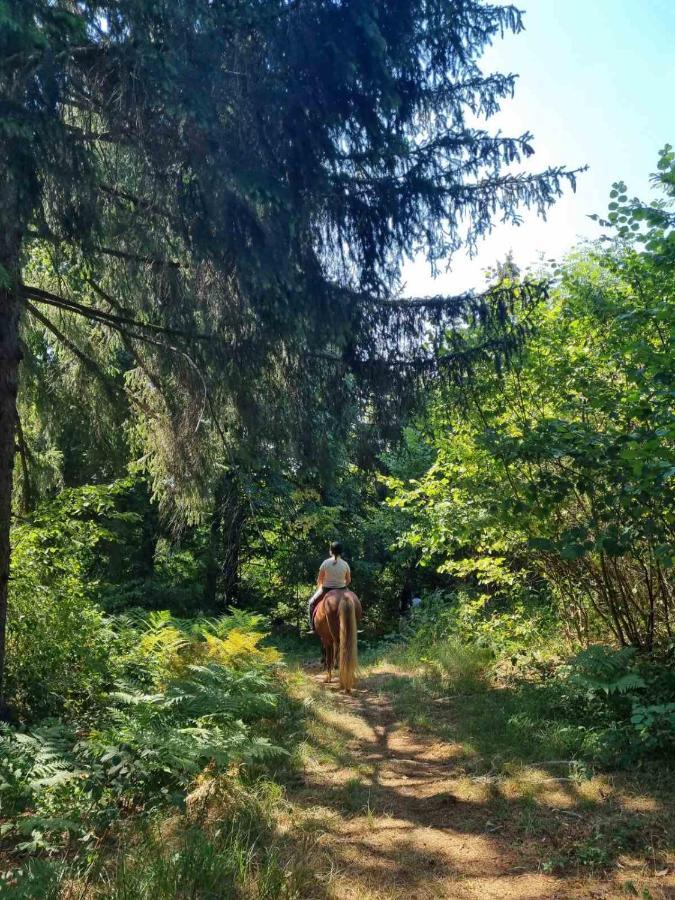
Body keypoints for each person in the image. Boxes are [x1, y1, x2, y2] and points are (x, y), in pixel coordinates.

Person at [308, 541, 351, 631]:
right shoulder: (345, 564)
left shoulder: (325, 563)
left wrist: (319, 587)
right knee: (353, 603)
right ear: (341, 552)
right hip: (342, 589)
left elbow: (320, 579)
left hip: (326, 589)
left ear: (331, 551)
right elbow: (348, 580)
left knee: (311, 603)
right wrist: (342, 585)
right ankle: (355, 626)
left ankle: (312, 627)